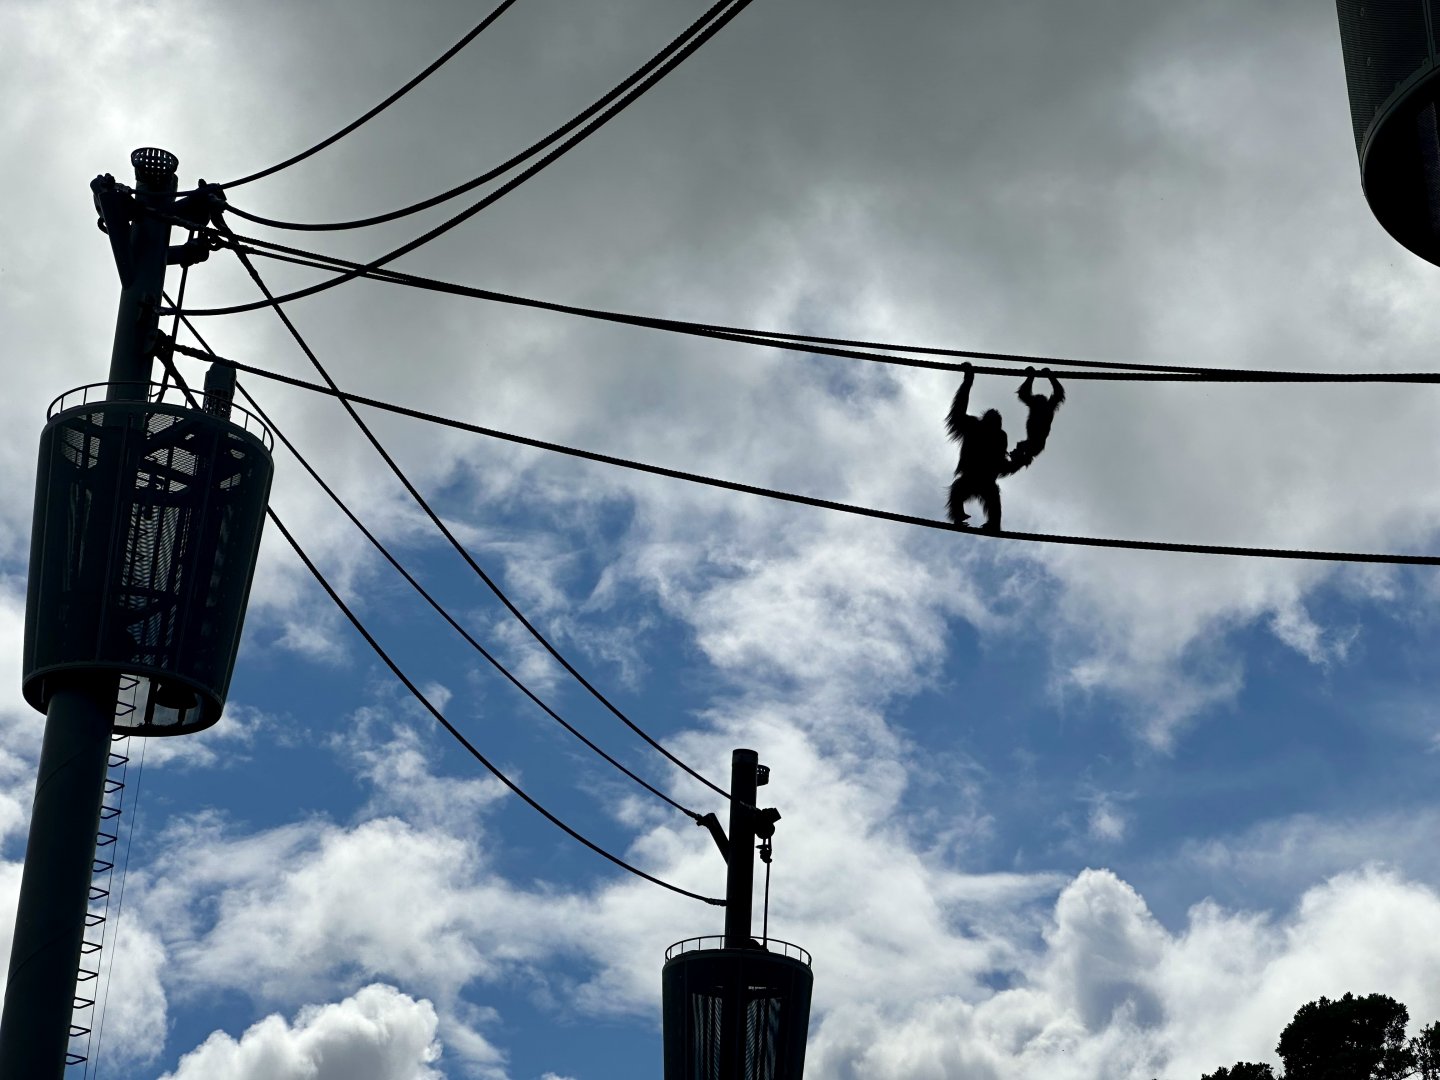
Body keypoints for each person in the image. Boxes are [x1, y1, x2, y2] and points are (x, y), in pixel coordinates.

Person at [945, 364, 1011, 532]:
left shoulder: (999, 436)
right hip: (975, 476)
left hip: (983, 478)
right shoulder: (974, 426)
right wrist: (967, 382)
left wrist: (1017, 461)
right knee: (959, 490)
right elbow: (958, 411)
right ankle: (959, 515)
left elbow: (1001, 464)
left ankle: (993, 524)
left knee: (988, 494)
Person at [1008, 366, 1065, 470]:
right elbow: (1059, 394)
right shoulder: (1047, 407)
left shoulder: (1040, 407)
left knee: (1024, 396)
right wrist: (1050, 376)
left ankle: (1031, 376)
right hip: (1036, 441)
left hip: (1035, 442)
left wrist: (1031, 377)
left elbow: (1023, 394)